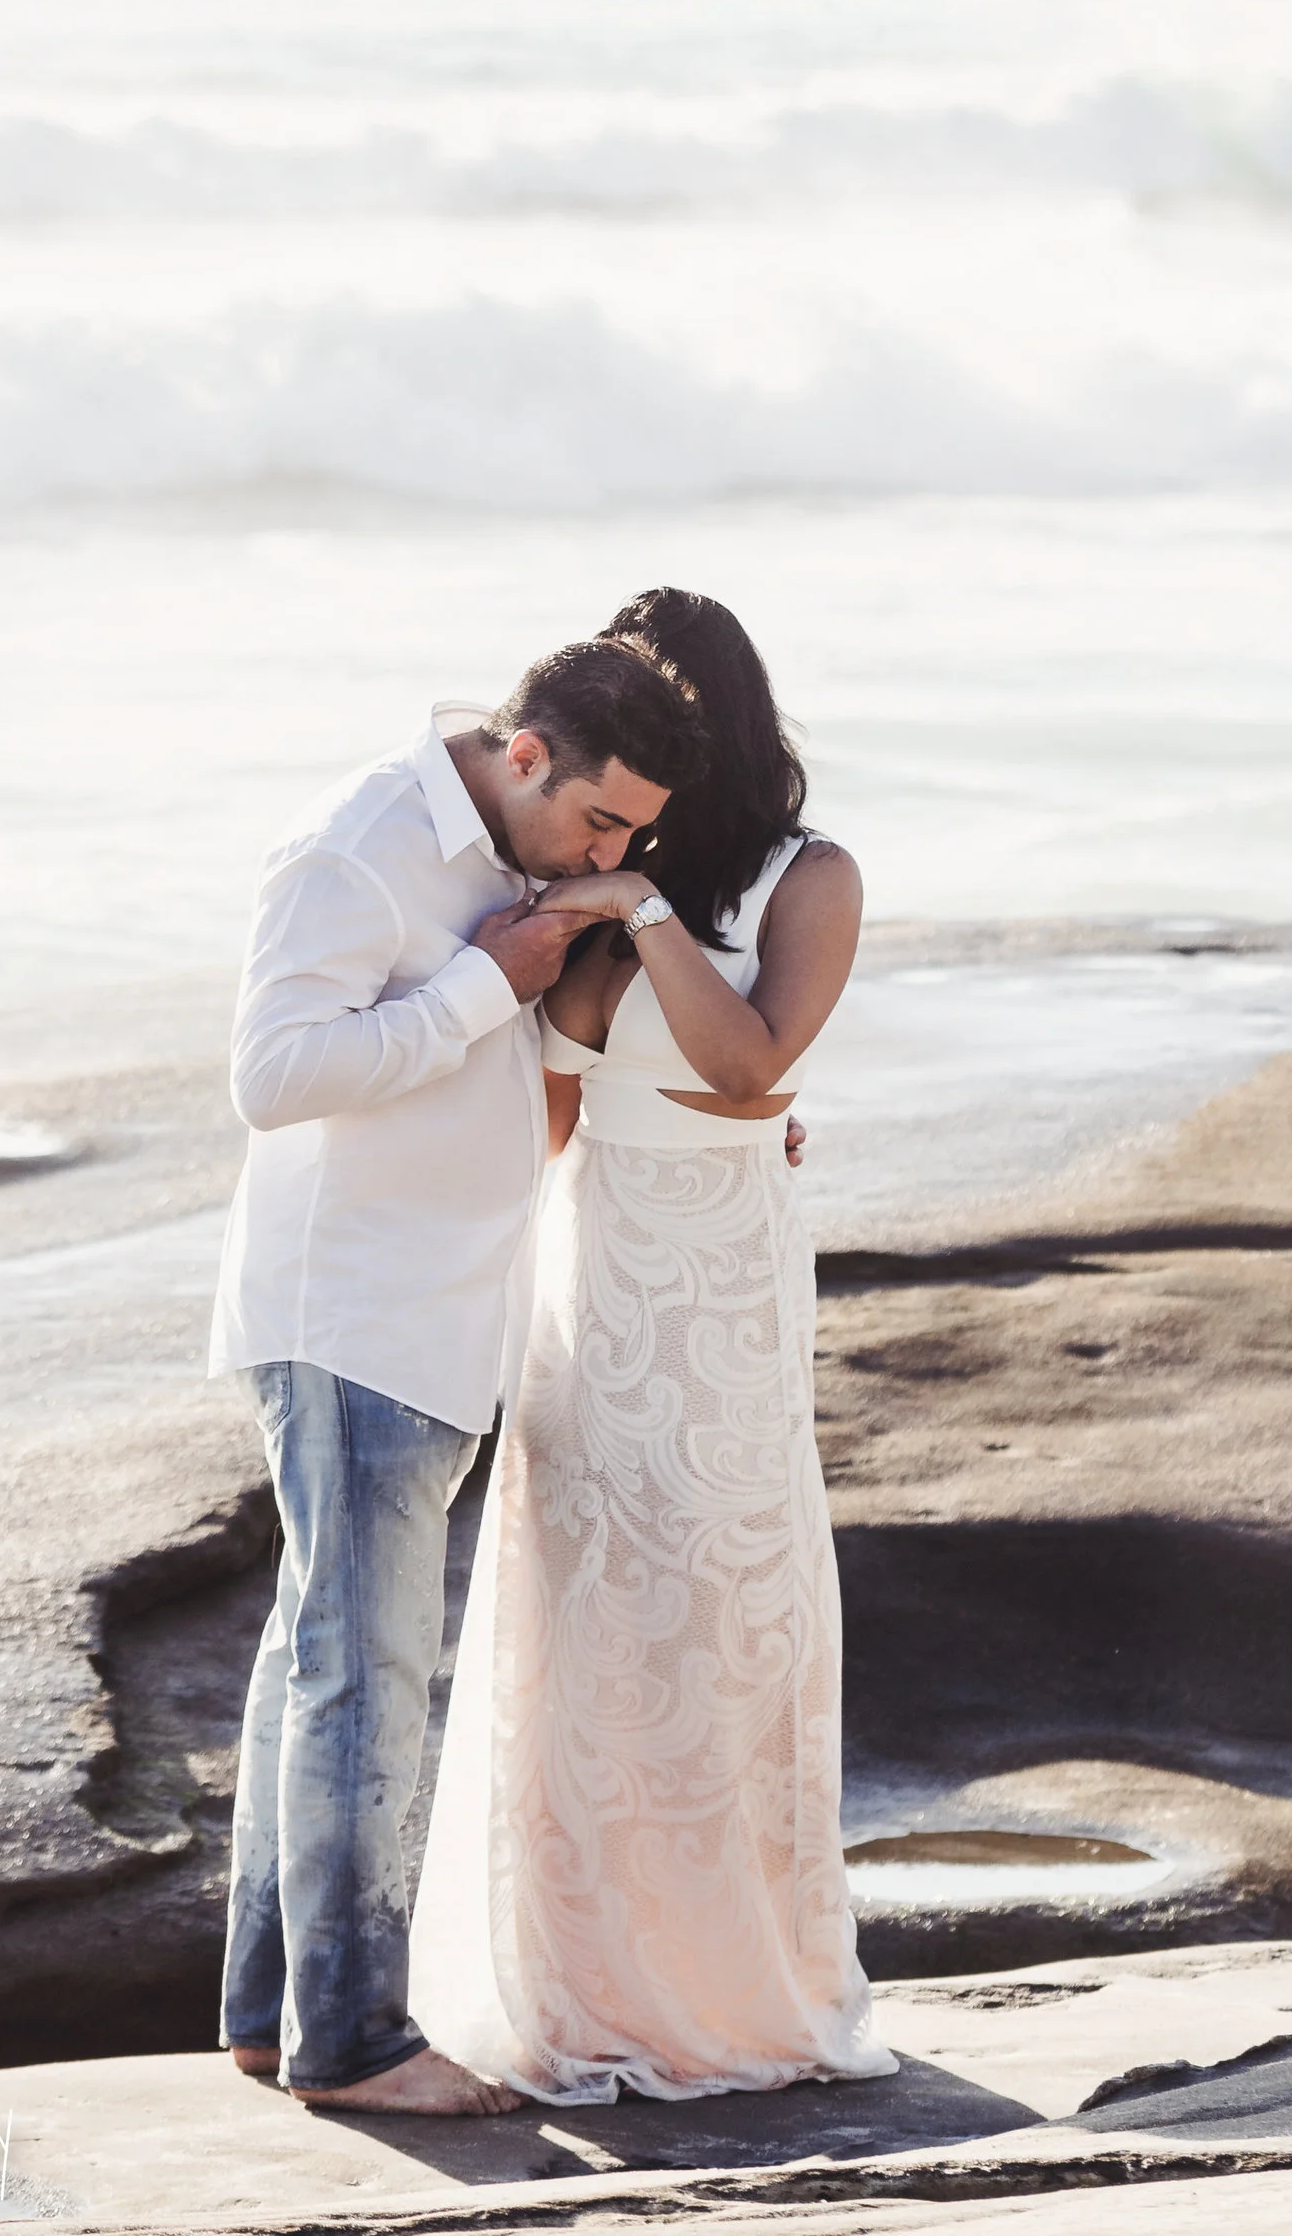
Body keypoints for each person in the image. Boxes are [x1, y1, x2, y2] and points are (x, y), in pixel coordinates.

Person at [411, 585, 897, 2105]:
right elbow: (548, 1118)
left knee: (724, 1615)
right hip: (593, 1273)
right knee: (587, 1624)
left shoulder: (808, 878)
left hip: (724, 1286)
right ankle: (579, 1981)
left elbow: (751, 1070)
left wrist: (647, 916)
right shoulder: (588, 875)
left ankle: (734, 1983)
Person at [209, 638, 709, 2115]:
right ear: (526, 753)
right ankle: (354, 2046)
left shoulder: (512, 851)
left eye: (631, 838)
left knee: (318, 1662)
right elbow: (273, 1077)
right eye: (601, 822)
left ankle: (272, 2015)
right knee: (366, 1680)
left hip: (432, 1316)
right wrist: (487, 982)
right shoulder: (359, 845)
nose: (608, 856)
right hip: (354, 1313)